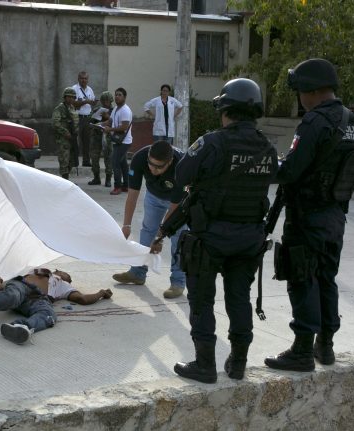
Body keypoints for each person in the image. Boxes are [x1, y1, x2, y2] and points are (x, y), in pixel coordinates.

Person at [153, 78, 277, 383]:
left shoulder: (211, 143)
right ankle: (238, 365)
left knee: (202, 303)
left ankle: (205, 365)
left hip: (210, 238)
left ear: (225, 109)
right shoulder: (268, 147)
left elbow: (182, 174)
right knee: (239, 300)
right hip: (249, 239)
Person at [264, 58, 354, 371]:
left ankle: (301, 351)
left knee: (302, 278)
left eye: (300, 92)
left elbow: (291, 170)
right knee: (326, 278)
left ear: (311, 90)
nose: (300, 99)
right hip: (335, 216)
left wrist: (268, 165)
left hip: (308, 217)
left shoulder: (315, 122)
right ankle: (326, 346)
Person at [0, 268, 113, 344]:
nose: (60, 272)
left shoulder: (65, 285)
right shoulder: (38, 270)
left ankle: (22, 327)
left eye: (64, 273)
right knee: (9, 296)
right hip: (21, 287)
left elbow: (82, 299)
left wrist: (100, 293)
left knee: (48, 314)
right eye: (58, 270)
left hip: (39, 299)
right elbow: (5, 283)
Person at [112, 140, 186, 299]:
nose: (153, 169)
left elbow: (174, 208)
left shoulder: (182, 166)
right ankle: (137, 272)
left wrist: (160, 237)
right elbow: (132, 196)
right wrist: (126, 225)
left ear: (170, 162)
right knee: (147, 232)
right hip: (154, 196)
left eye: (159, 166)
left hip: (178, 202)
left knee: (179, 238)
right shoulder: (140, 158)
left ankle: (178, 282)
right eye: (151, 164)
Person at [102, 87, 132, 195]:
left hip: (123, 142)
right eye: (116, 95)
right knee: (123, 163)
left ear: (124, 97)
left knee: (115, 163)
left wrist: (110, 129)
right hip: (118, 140)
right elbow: (110, 121)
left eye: (119, 95)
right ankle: (126, 186)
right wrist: (100, 125)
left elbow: (124, 127)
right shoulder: (115, 109)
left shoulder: (125, 110)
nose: (117, 97)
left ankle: (117, 187)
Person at [52, 87, 80, 179]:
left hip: (73, 138)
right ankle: (65, 180)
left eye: (73, 97)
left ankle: (66, 178)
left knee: (72, 160)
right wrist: (65, 132)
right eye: (69, 97)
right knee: (64, 160)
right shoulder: (60, 109)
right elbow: (55, 123)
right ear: (65, 97)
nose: (71, 99)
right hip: (63, 139)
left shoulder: (72, 108)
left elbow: (76, 122)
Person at [87, 91, 114, 187]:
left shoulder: (114, 111)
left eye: (107, 100)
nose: (105, 102)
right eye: (103, 100)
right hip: (96, 137)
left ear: (111, 100)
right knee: (94, 158)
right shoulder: (97, 109)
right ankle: (96, 178)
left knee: (109, 158)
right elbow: (90, 121)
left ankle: (108, 179)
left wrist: (108, 117)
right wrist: (97, 119)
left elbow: (116, 123)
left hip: (108, 137)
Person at [72, 71, 97, 167]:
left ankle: (86, 161)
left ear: (88, 80)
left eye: (85, 78)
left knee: (87, 141)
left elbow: (92, 102)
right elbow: (73, 103)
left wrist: (93, 102)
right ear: (78, 79)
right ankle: (75, 161)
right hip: (77, 118)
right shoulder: (74, 89)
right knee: (76, 140)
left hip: (87, 118)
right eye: (82, 78)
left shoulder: (90, 89)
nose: (84, 80)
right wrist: (85, 101)